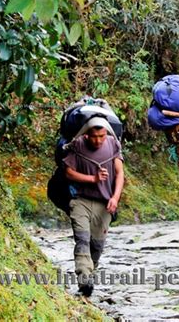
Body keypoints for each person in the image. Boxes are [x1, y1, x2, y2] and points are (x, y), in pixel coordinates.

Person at [63, 117, 124, 296]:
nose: (98, 140)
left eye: (101, 136)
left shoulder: (113, 144)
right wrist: (93, 179)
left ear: (106, 133)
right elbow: (68, 172)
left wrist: (115, 197)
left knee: (96, 245)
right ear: (87, 133)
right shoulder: (78, 144)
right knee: (82, 239)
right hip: (80, 200)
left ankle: (89, 274)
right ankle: (84, 278)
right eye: (94, 136)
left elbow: (120, 173)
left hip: (104, 204)